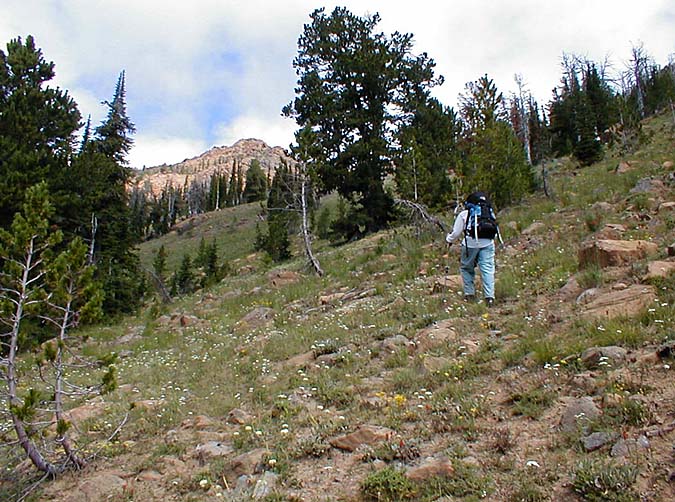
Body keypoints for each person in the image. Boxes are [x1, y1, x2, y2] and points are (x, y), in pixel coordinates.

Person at [445, 191, 497, 306]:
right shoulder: (488, 212)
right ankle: (489, 298)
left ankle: (470, 294)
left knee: (466, 268)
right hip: (488, 242)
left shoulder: (465, 214)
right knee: (487, 269)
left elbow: (456, 233)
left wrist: (448, 240)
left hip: (470, 244)